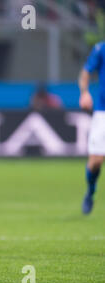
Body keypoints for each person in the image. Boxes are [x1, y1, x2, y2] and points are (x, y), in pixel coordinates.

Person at [79, 40, 105, 215]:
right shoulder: (101, 48)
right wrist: (84, 92)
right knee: (96, 161)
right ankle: (91, 190)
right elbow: (86, 73)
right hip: (103, 111)